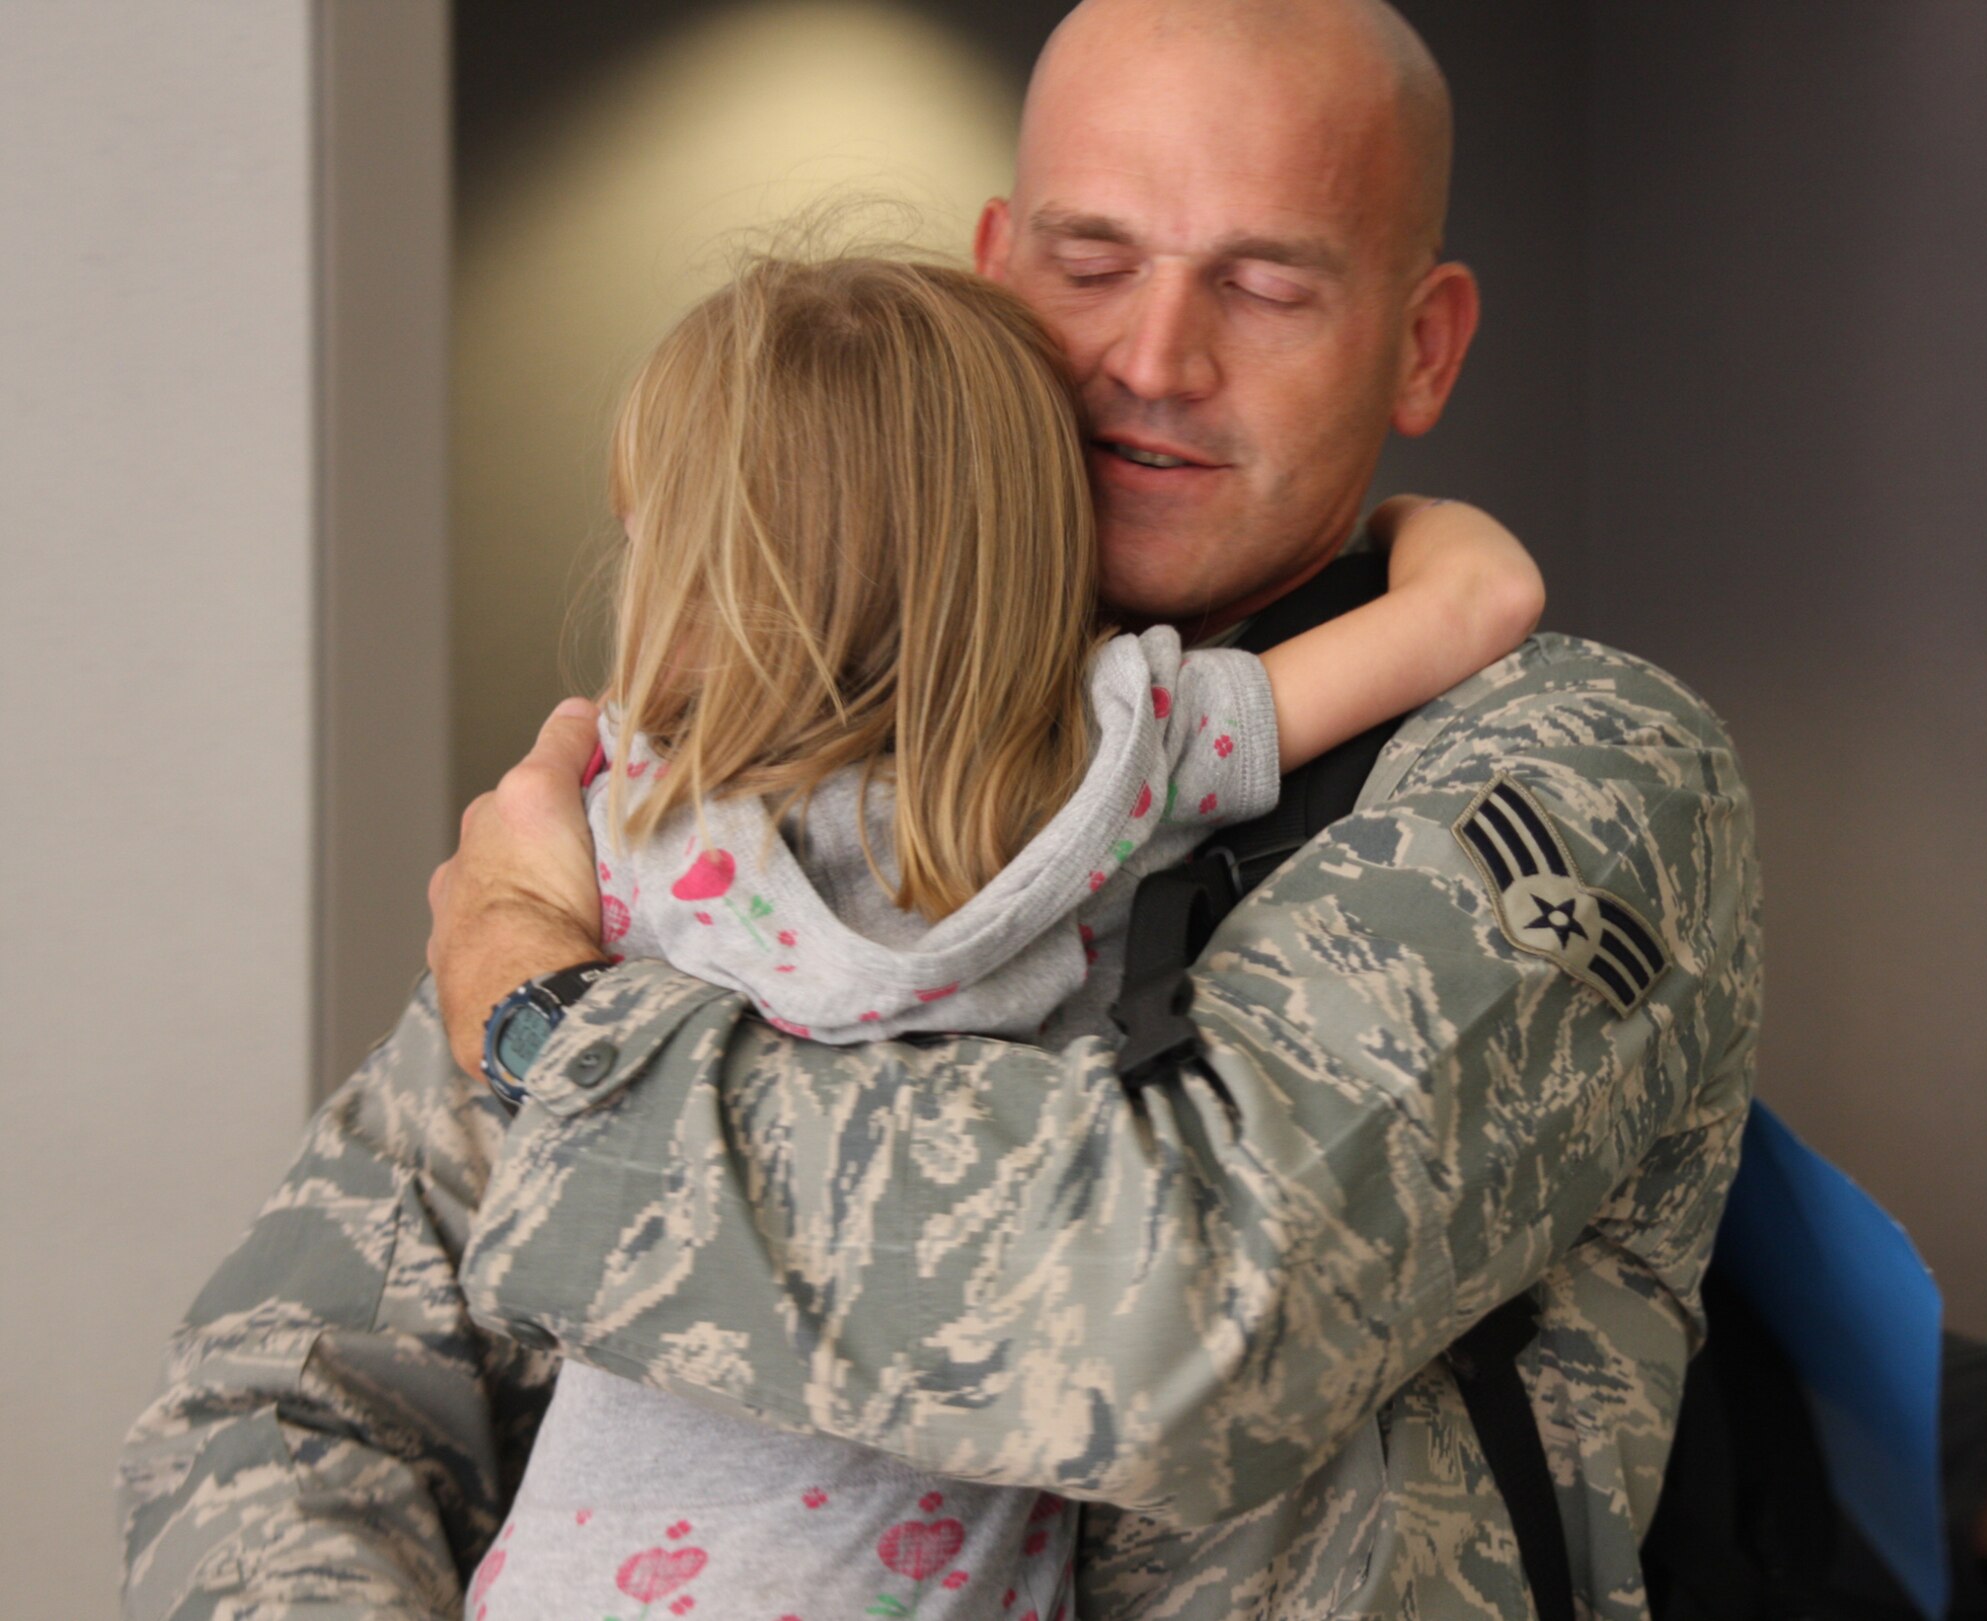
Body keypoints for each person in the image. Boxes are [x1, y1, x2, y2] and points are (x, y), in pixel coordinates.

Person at [117, 2, 1763, 1618]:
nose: (1153, 359)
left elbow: (1183, 1317)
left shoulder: (1577, 768)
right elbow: (292, 1385)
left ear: (1422, 342)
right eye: (1094, 263)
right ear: (995, 271)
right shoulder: (767, 733)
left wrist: (556, 1031)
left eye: (1264, 285)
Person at [473, 246, 1540, 1621]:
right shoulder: (1110, 770)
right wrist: (1405, 511)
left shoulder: (616, 819)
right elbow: (1480, 602)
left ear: (693, 564)